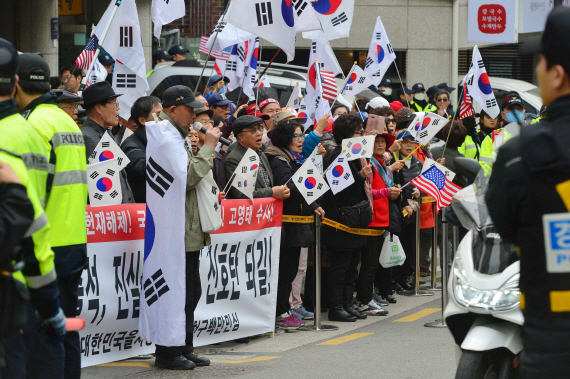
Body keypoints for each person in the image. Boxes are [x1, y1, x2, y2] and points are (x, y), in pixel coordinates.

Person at [486, 7, 570, 377]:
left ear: (557, 73)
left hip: (554, 336)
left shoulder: (521, 153)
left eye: (540, 62)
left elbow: (506, 226)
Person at [15, 52, 88, 379]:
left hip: (48, 247)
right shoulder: (64, 120)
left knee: (41, 336)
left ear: (16, 84)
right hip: (74, 241)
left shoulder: (33, 124)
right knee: (65, 329)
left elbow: (31, 196)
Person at [0, 40, 65, 379]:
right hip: (26, 274)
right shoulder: (28, 132)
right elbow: (34, 224)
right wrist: (48, 301)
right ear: (13, 84)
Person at [153, 85, 221, 370]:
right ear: (172, 110)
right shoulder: (166, 138)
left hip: (187, 228)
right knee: (178, 292)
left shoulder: (177, 136)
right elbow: (188, 179)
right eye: (190, 109)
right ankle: (168, 352)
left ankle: (184, 346)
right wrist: (208, 148)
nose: (195, 115)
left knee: (190, 290)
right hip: (174, 231)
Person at [265, 119, 325, 330]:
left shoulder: (291, 158)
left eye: (302, 136)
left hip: (295, 224)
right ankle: (281, 312)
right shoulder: (278, 160)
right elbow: (290, 189)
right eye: (297, 136)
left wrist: (313, 204)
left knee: (290, 271)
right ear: (284, 138)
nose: (301, 140)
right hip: (284, 226)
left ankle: (285, 309)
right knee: (284, 271)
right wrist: (315, 183)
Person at [321, 114, 372, 322]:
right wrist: (361, 177)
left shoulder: (353, 155)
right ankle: (336, 306)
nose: (361, 136)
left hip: (355, 218)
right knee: (340, 267)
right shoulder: (337, 155)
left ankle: (348, 303)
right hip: (341, 220)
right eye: (358, 133)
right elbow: (337, 188)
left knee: (352, 266)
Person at [354, 131, 402, 315]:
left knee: (373, 263)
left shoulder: (382, 163)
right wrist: (385, 192)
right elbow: (367, 193)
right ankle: (364, 300)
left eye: (383, 142)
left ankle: (367, 297)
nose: (380, 145)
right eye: (377, 142)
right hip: (372, 219)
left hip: (383, 217)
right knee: (369, 263)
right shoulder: (369, 164)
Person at [81, 81, 134, 203]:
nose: (118, 108)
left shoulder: (105, 132)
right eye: (114, 103)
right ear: (99, 108)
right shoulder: (88, 137)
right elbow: (102, 189)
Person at [225, 115, 291, 201]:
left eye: (260, 128)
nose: (259, 133)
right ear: (240, 137)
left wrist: (282, 191)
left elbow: (266, 185)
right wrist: (272, 192)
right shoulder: (234, 159)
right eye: (253, 130)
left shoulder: (262, 155)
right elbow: (242, 194)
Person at [393, 130, 424, 290]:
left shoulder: (418, 163)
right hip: (397, 210)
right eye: (405, 141)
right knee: (396, 245)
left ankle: (404, 277)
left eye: (412, 141)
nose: (409, 145)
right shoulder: (395, 162)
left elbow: (425, 185)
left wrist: (420, 192)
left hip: (413, 211)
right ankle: (394, 279)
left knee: (409, 245)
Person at [121, 96, 162, 203]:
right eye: (158, 115)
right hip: (142, 211)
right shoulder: (130, 145)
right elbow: (145, 171)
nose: (163, 119)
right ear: (143, 120)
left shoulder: (159, 141)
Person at [193, 108, 227, 189]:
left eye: (210, 122)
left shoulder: (217, 156)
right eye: (204, 122)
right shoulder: (191, 156)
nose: (209, 127)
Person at [431, 121, 469, 188]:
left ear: (444, 133)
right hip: (451, 195)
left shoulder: (432, 151)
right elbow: (462, 184)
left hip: (430, 193)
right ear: (462, 139)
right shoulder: (462, 160)